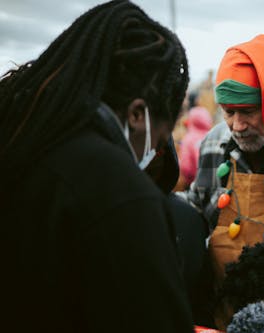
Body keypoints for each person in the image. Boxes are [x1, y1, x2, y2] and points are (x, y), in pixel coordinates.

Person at [0, 1, 194, 332]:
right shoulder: (120, 194)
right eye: (160, 142)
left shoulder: (22, 140)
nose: (154, 157)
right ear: (137, 114)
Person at [179, 34, 264, 289]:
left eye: (247, 111)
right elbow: (197, 209)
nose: (237, 125)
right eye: (228, 112)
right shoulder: (213, 143)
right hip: (224, 309)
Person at [179, 103, 213, 187]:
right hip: (212, 181)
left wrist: (189, 180)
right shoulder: (212, 136)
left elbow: (186, 167)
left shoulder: (188, 139)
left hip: (194, 183)